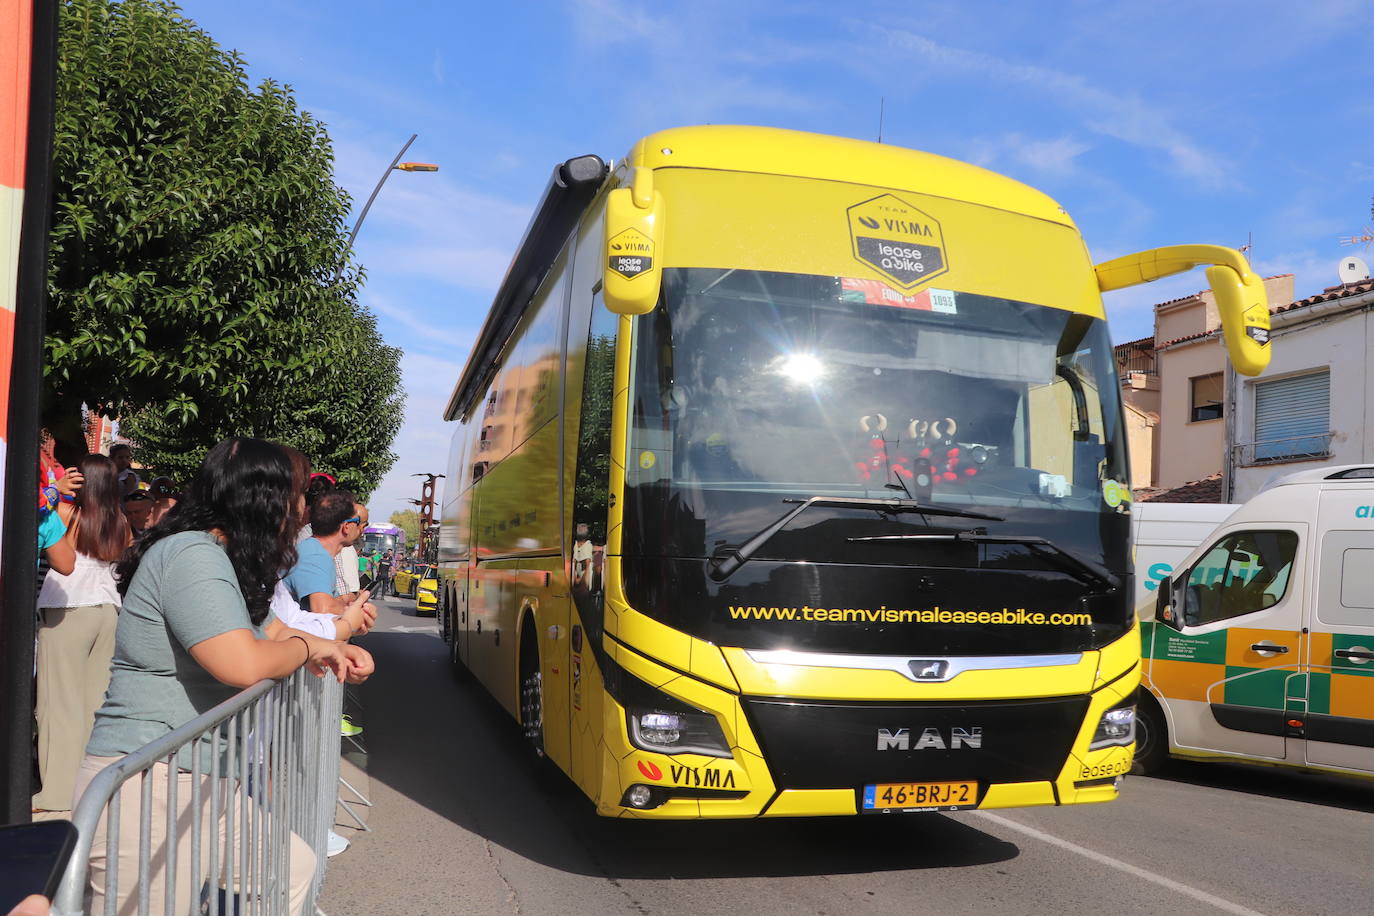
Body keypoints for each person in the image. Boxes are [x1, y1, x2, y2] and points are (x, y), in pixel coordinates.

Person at [73, 438, 374, 916]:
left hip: (202, 776)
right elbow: (244, 663)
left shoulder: (223, 560)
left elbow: (274, 631)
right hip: (153, 783)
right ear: (265, 499)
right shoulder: (193, 556)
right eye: (297, 496)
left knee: (290, 871)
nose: (302, 511)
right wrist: (306, 649)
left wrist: (334, 650)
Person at [32, 454, 131, 813]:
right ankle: (92, 790)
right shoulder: (120, 522)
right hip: (107, 610)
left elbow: (39, 520)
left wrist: (55, 492)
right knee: (94, 706)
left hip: (69, 609)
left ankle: (57, 793)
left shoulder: (67, 514)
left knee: (59, 705)